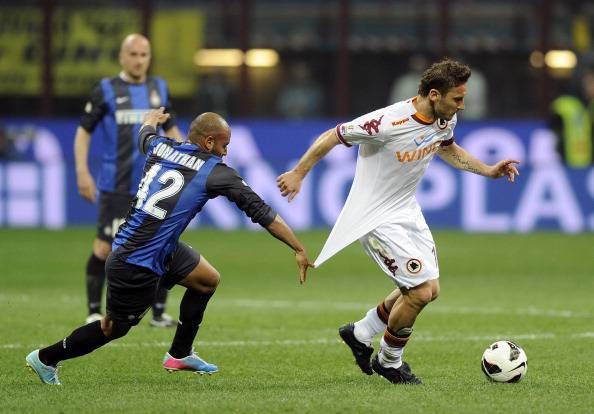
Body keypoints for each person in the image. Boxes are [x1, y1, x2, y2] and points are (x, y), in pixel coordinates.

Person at [26, 108, 312, 385]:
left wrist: (150, 121)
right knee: (113, 328)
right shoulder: (216, 171)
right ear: (208, 142)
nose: (226, 152)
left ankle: (180, 354)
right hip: (135, 262)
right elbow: (261, 212)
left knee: (207, 280)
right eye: (224, 145)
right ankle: (46, 358)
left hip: (155, 247)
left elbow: (145, 136)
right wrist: (298, 247)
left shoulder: (160, 147)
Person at [277, 59, 519, 384]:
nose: (462, 105)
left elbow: (447, 148)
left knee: (430, 289)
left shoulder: (445, 117)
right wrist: (298, 172)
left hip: (406, 210)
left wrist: (488, 170)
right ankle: (389, 361)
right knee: (418, 293)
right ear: (434, 94)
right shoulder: (387, 122)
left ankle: (360, 332)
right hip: (375, 217)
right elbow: (333, 135)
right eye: (458, 98)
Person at [74, 33, 182, 327]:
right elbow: (84, 131)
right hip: (116, 184)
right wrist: (82, 171)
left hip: (153, 186)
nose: (138, 60)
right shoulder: (106, 90)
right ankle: (94, 311)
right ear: (122, 57)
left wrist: (186, 163)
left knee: (162, 245)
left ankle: (158, 313)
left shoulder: (159, 88)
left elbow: (172, 129)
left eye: (143, 55)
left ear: (149, 58)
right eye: (133, 54)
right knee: (104, 248)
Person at [549, 69, 594, 167]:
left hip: (589, 164)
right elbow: (552, 130)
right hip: (567, 163)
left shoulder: (591, 104)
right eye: (590, 83)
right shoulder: (564, 103)